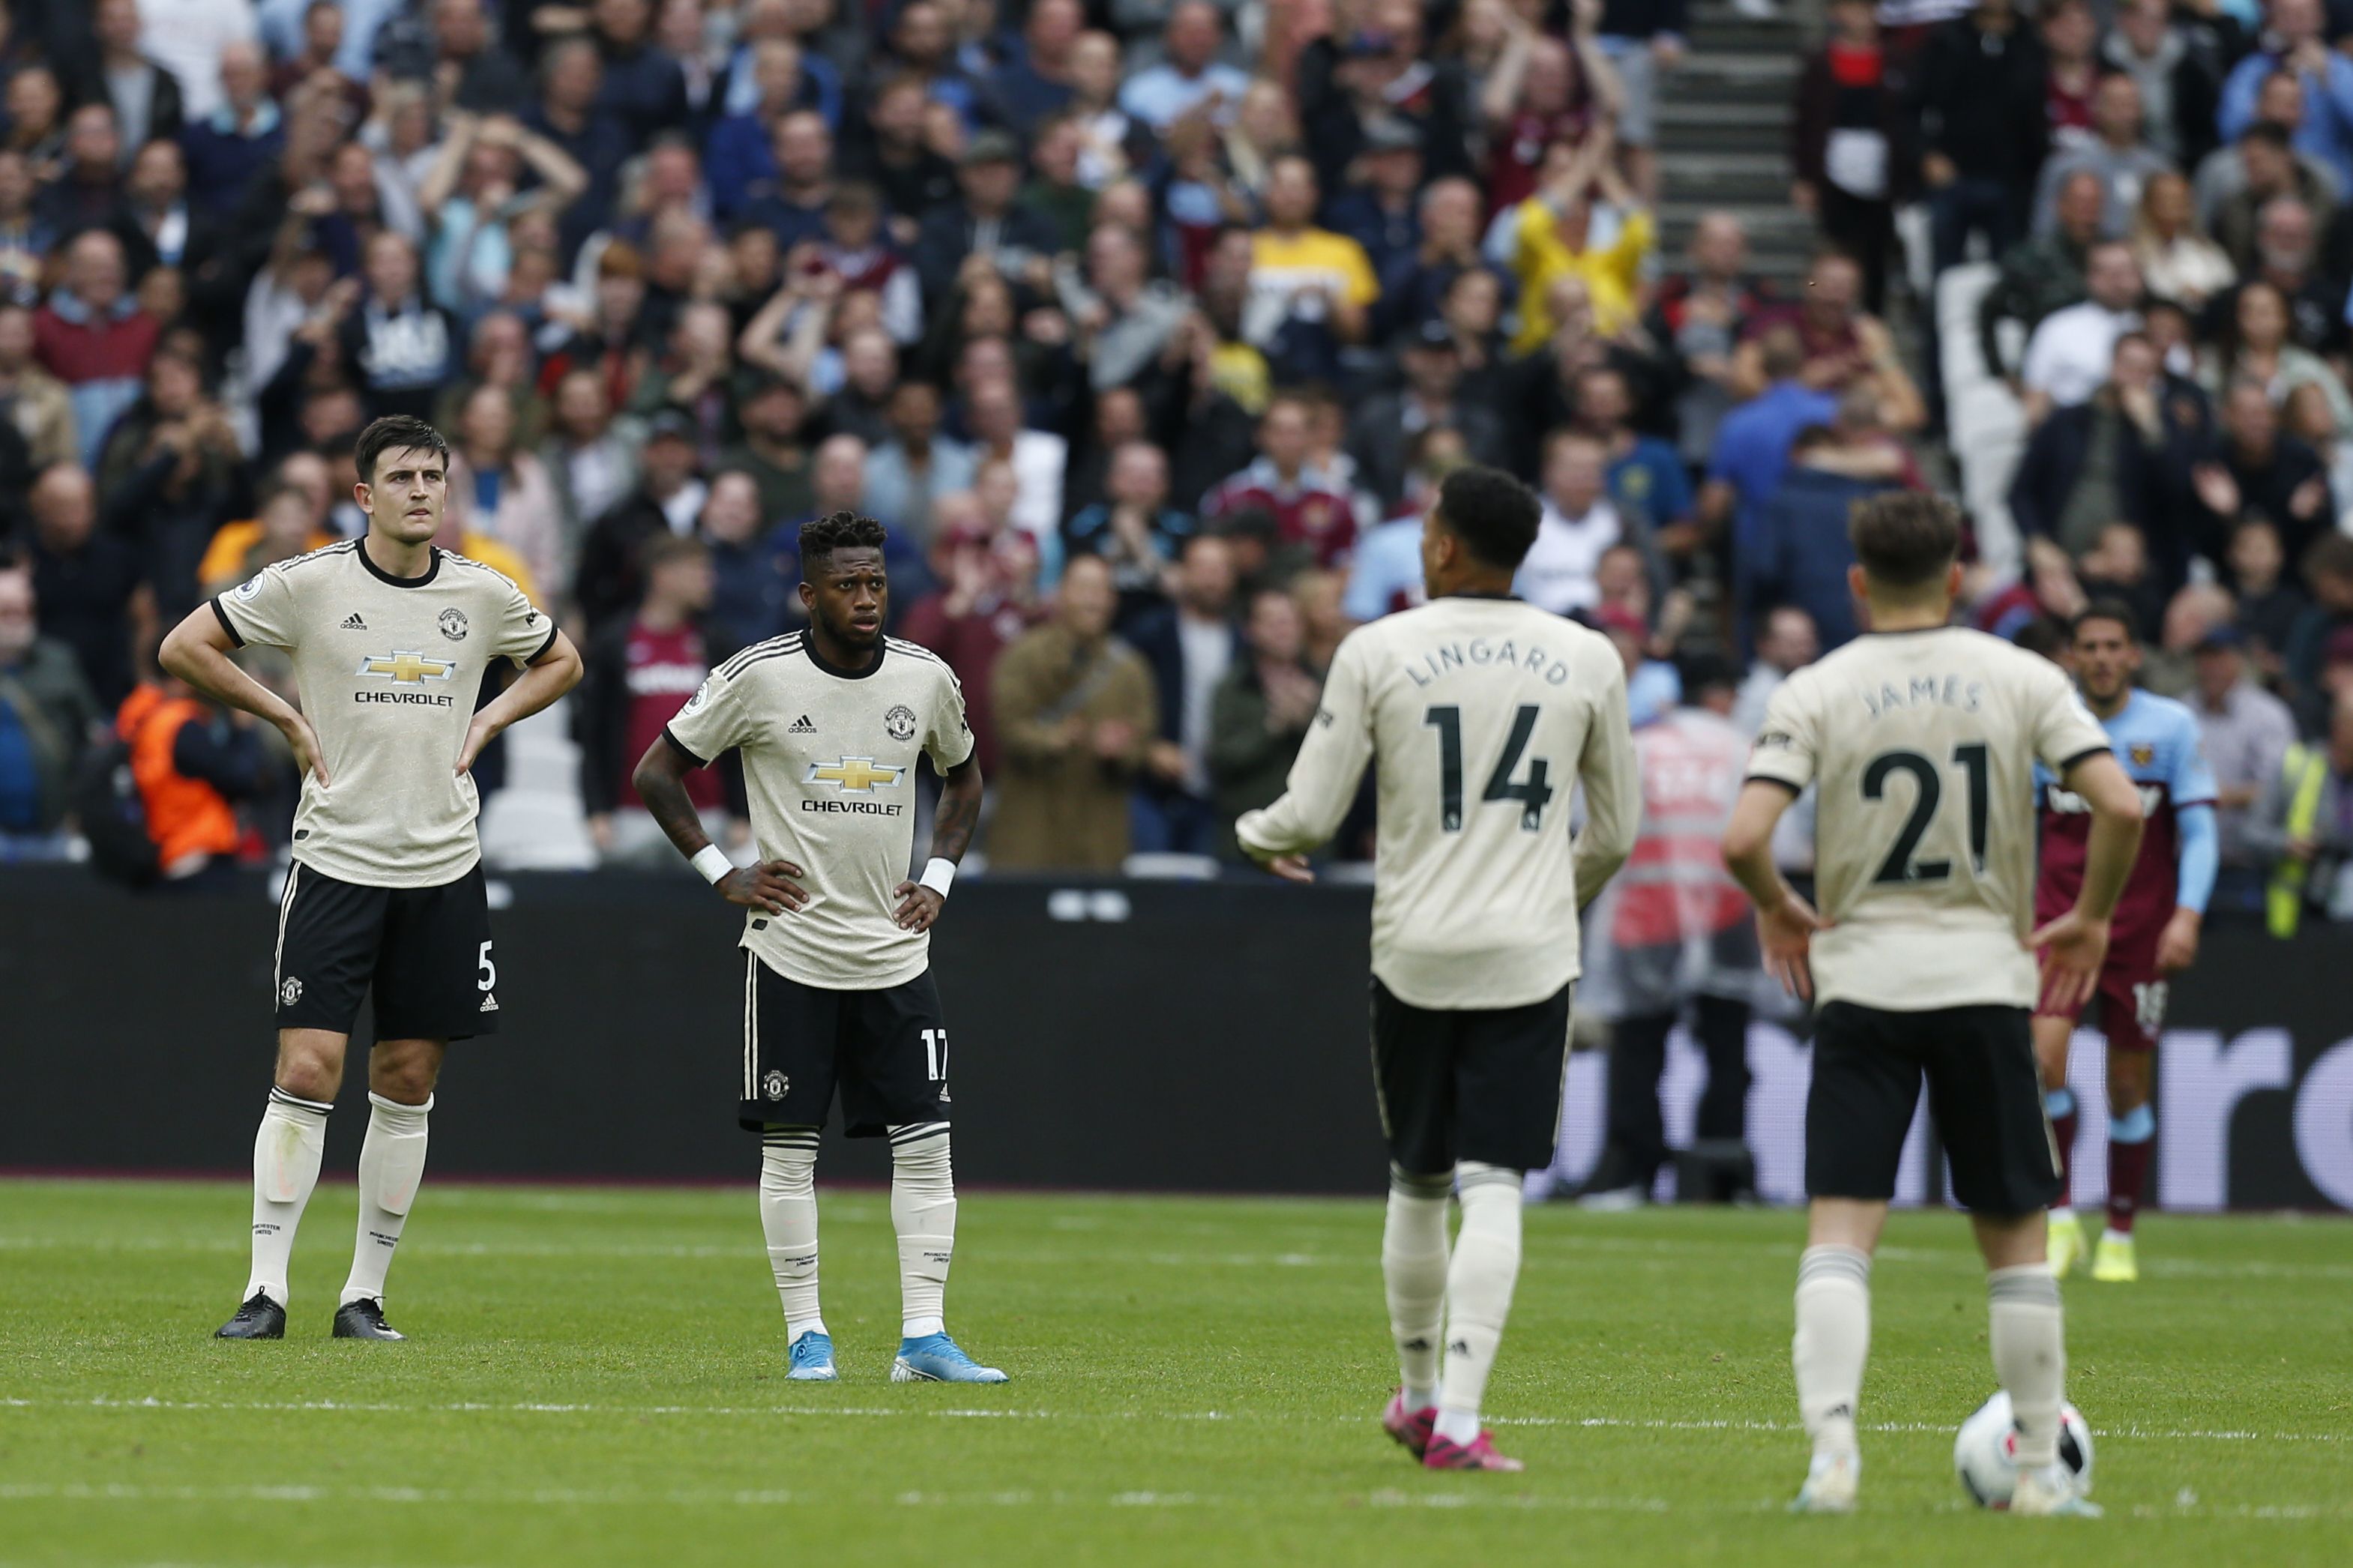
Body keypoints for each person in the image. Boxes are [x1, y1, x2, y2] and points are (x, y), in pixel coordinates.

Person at [1721, 492, 2142, 1516]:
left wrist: (1778, 910)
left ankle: (1829, 1466)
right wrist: (2087, 919)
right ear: (1957, 578)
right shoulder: (2019, 675)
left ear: (1857, 582)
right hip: (1980, 985)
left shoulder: (1817, 686)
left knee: (1838, 1232)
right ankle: (2040, 1475)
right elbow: (2120, 803)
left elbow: (1740, 838)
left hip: (1861, 984)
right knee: (2012, 1242)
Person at [1235, 465, 1639, 1472]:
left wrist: (1253, 833)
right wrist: (1552, 888)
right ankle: (1456, 1416)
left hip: (1413, 948)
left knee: (1416, 1179)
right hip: (1528, 952)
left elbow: (1310, 816)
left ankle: (1420, 1399)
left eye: (1426, 529)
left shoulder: (1377, 649)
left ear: (1445, 548)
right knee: (1493, 1180)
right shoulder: (1586, 657)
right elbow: (1616, 832)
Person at [155, 414, 584, 1342]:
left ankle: (364, 1296)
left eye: (435, 475)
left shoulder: (481, 593)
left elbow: (562, 659)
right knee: (308, 1068)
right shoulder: (310, 584)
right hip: (337, 861)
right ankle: (265, 1289)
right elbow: (185, 646)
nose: (423, 490)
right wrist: (287, 717)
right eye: (403, 477)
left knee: (407, 1073)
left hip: (442, 867)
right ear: (364, 495)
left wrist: (488, 720)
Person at [629, 510, 1002, 1387]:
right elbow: (657, 771)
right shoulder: (757, 677)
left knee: (927, 1142)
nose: (866, 597)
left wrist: (939, 876)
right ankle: (808, 1336)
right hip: (791, 953)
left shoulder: (925, 679)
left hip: (894, 955)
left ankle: (924, 1338)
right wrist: (723, 871)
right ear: (809, 593)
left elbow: (966, 774)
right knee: (791, 1149)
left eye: (875, 580)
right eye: (847, 583)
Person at [2032, 603, 2217, 1286]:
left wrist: (2187, 915)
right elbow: (2022, 833)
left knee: (2126, 1086)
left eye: (2114, 645)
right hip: (2057, 926)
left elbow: (2196, 832)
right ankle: (2058, 1220)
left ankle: (2118, 1231)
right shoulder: (2046, 728)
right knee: (2041, 1062)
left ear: (2134, 655)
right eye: (2089, 647)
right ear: (2071, 657)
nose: (2103, 657)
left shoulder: (2168, 728)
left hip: (2138, 932)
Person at [1576, 650, 1762, 1208]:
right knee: (1727, 1054)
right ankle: (1721, 1172)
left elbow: (1593, 829)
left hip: (1645, 920)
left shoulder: (1641, 747)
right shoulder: (1742, 750)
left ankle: (1631, 1171)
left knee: (1637, 1053)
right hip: (1726, 918)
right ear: (1724, 694)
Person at [987, 552, 1158, 871]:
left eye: (1102, 591)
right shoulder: (1022, 657)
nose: (1093, 600)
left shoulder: (1130, 670)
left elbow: (1142, 739)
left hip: (1099, 838)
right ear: (1060, 593)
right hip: (1031, 833)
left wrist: (1121, 750)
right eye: (1083, 588)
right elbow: (1008, 727)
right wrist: (1055, 738)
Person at [577, 534, 732, 866]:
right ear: (664, 575)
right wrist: (596, 810)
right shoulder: (614, 643)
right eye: (698, 570)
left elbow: (737, 734)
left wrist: (741, 812)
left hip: (706, 816)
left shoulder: (716, 644)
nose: (709, 580)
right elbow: (594, 734)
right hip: (631, 815)